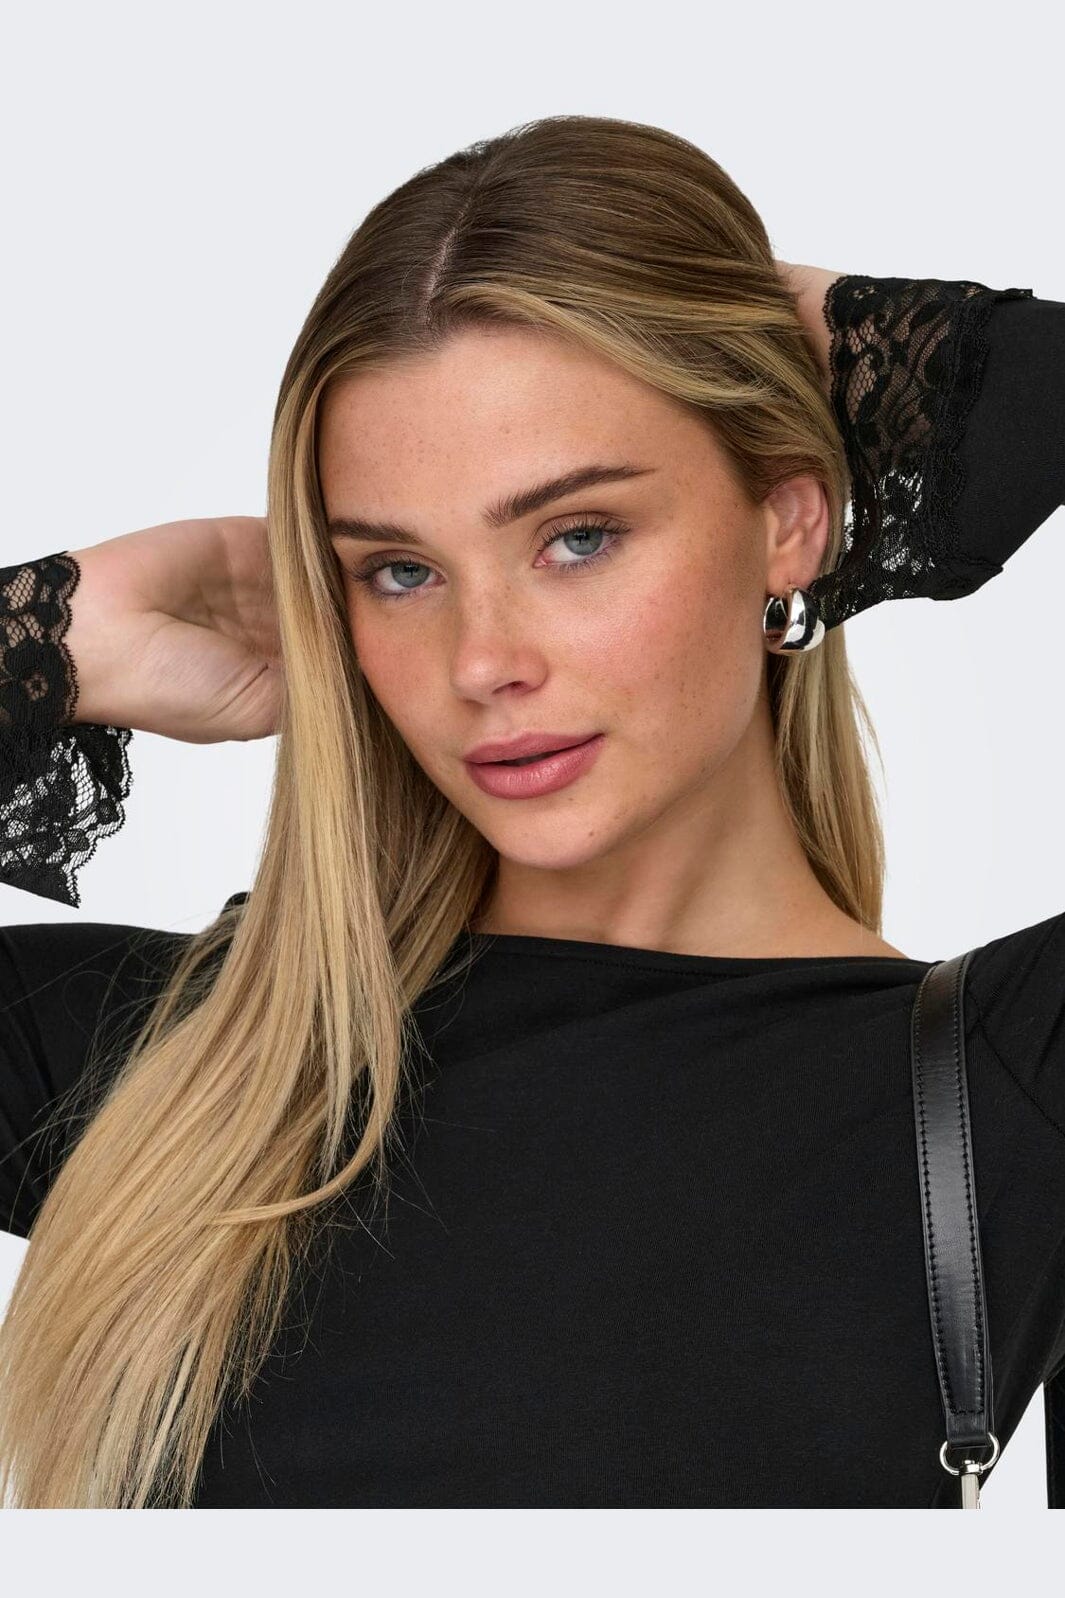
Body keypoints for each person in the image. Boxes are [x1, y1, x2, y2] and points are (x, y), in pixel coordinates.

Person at [0, 114, 1062, 1510]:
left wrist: (884, 347)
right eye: (397, 571)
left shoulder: (1007, 1085)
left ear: (788, 521)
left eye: (577, 536)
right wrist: (53, 640)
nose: (481, 662)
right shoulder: (187, 1071)